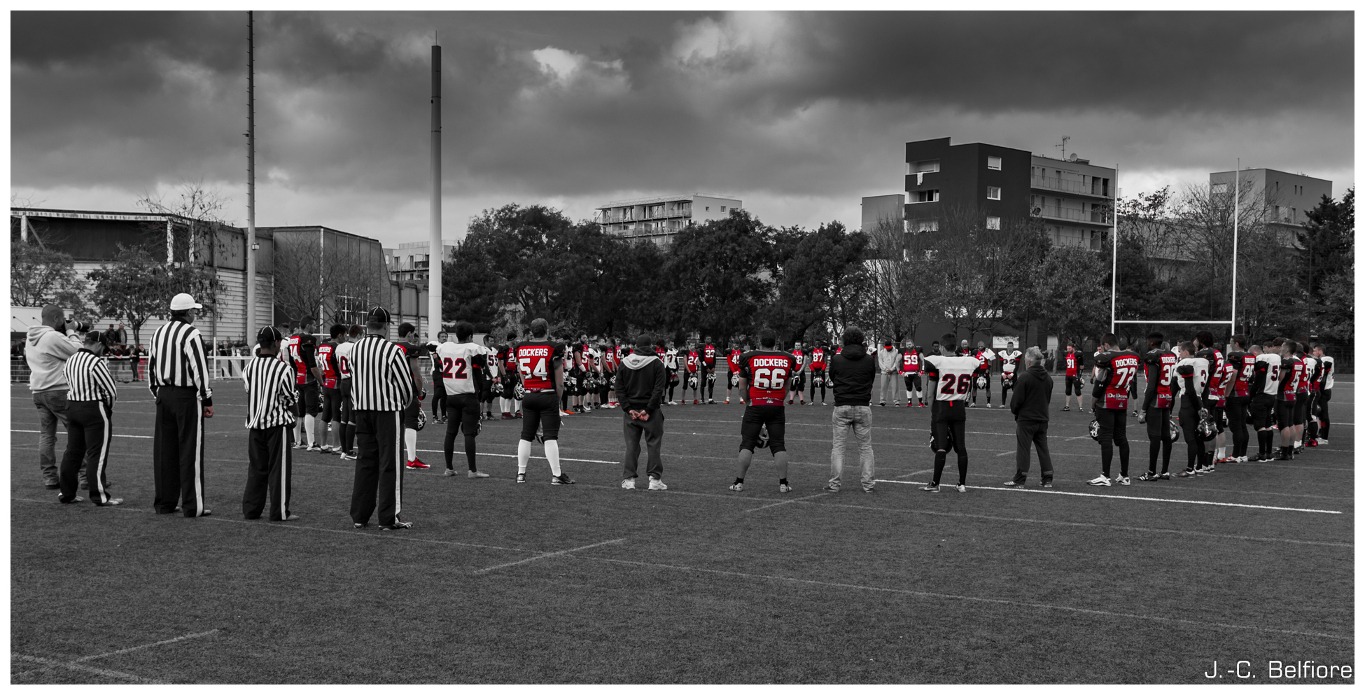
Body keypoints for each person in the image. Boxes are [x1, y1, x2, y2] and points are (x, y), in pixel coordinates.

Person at [349, 307, 416, 530]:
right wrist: (403, 405)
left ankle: (360, 515)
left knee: (365, 463)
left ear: (368, 325)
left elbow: (352, 381)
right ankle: (388, 518)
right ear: (386, 326)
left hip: (362, 411)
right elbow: (406, 388)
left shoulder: (354, 349)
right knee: (390, 464)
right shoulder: (392, 350)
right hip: (387, 412)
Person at [148, 292, 215, 517]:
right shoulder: (191, 333)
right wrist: (207, 399)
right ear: (187, 312)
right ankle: (192, 505)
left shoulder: (158, 333)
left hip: (163, 395)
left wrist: (158, 393)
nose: (195, 314)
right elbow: (200, 369)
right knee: (190, 451)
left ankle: (165, 503)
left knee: (164, 452)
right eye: (194, 311)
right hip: (186, 397)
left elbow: (151, 368)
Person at [24, 304, 86, 490]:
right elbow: (79, 352)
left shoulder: (30, 337)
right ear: (57, 319)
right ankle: (85, 476)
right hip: (58, 390)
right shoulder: (52, 336)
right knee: (78, 433)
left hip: (38, 391)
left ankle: (50, 477)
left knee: (47, 436)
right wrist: (71, 332)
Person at [58, 330, 122, 506]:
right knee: (97, 453)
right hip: (93, 408)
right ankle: (99, 496)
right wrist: (107, 408)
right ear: (99, 345)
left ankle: (67, 493)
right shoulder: (95, 361)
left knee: (72, 452)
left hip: (72, 407)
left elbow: (67, 380)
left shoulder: (70, 360)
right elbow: (110, 390)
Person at [241, 327, 299, 521]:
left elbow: (249, 391)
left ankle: (251, 510)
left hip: (255, 425)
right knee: (279, 470)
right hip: (276, 424)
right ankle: (279, 511)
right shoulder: (283, 368)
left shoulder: (249, 367)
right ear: (275, 344)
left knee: (256, 469)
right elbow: (290, 398)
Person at [730, 329, 796, 493]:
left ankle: (739, 483)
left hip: (755, 405)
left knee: (747, 444)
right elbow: (787, 384)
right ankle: (783, 484)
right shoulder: (788, 358)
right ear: (775, 342)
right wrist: (779, 398)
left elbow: (742, 387)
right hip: (776, 405)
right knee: (778, 445)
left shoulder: (749, 357)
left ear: (759, 342)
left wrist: (748, 401)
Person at [512, 318, 575, 484]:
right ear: (546, 329)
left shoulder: (520, 347)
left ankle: (521, 473)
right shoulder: (553, 347)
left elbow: (520, 371)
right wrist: (557, 400)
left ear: (532, 331)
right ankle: (556, 475)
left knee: (526, 435)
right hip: (547, 394)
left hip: (529, 394)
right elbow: (560, 382)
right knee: (550, 436)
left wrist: (528, 388)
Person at [435, 322, 490, 479]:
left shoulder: (445, 347)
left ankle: (448, 468)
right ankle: (472, 470)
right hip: (467, 396)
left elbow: (436, 350)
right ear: (471, 336)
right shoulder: (471, 348)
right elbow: (480, 361)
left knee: (450, 433)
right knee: (469, 434)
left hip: (451, 396)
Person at [825, 326, 876, 493]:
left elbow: (833, 377)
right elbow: (871, 378)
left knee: (838, 447)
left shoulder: (837, 359)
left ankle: (834, 484)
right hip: (862, 405)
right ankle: (868, 484)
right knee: (865, 448)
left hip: (842, 405)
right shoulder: (868, 359)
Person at [923, 335, 977, 492]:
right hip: (959, 407)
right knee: (961, 447)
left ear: (942, 347)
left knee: (941, 446)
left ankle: (935, 483)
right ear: (956, 347)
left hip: (942, 407)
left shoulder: (937, 362)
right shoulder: (968, 361)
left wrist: (932, 414)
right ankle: (962, 484)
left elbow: (930, 394)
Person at [1086, 334, 1139, 486]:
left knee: (1106, 437)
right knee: (1121, 437)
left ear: (1107, 345)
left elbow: (1100, 383)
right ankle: (1124, 475)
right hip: (1122, 400)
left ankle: (1105, 476)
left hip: (1107, 401)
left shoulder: (1107, 358)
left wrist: (1093, 402)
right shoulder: (1132, 356)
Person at [617, 333, 668, 490]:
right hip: (650, 412)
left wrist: (628, 408)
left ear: (636, 347)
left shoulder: (624, 363)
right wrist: (648, 409)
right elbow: (659, 389)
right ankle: (654, 480)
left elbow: (619, 388)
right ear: (650, 346)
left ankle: (629, 479)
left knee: (631, 445)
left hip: (631, 411)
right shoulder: (656, 363)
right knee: (653, 444)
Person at [1005, 346, 1053, 488]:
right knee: (1043, 448)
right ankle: (1048, 478)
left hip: (1026, 419)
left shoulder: (1025, 377)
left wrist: (1016, 412)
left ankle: (1020, 479)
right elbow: (1047, 399)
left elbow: (1016, 402)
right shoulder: (1048, 378)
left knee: (1023, 449)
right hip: (1042, 418)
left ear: (1030, 361)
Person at [1137, 333, 1177, 481]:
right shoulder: (1170, 355)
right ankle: (1165, 471)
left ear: (1152, 342)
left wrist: (1143, 408)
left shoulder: (1152, 356)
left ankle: (1152, 472)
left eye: (1148, 340)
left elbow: (1152, 384)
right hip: (1167, 396)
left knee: (1154, 436)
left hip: (1156, 398)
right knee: (1166, 436)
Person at [1174, 341, 1212, 477]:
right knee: (1199, 436)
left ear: (1185, 351)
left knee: (1191, 438)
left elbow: (1188, 388)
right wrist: (1203, 406)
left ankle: (1190, 468)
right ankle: (1199, 466)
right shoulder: (1204, 362)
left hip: (1189, 402)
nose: (1179, 354)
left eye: (1180, 351)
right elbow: (1206, 386)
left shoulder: (1184, 364)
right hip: (1200, 398)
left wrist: (1198, 408)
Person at [396, 323, 429, 470]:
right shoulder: (410, 348)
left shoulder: (389, 346)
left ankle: (390, 456)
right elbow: (416, 374)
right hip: (407, 390)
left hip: (390, 390)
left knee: (393, 423)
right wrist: (420, 392)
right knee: (410, 422)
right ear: (410, 333)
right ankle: (411, 459)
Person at [1223, 335, 1255, 463]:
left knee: (1236, 426)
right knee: (1242, 425)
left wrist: (1226, 394)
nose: (1230, 344)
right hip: (1245, 392)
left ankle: (1236, 455)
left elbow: (1233, 374)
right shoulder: (1250, 356)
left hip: (1235, 393)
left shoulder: (1234, 355)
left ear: (1236, 343)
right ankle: (1243, 454)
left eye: (1231, 342)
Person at [334, 324, 361, 461]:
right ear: (359, 335)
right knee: (352, 418)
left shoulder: (339, 347)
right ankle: (349, 450)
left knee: (344, 417)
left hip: (343, 381)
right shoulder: (355, 347)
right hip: (352, 381)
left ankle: (344, 450)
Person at [316, 325, 343, 453]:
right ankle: (336, 446)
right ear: (339, 335)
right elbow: (339, 365)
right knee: (336, 417)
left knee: (325, 416)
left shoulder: (322, 346)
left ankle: (323, 445)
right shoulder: (336, 347)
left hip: (326, 382)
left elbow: (320, 365)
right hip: (336, 383)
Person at [1312, 343, 1334, 446]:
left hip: (1324, 390)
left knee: (1324, 414)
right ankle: (1320, 433)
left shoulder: (1327, 359)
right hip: (1321, 390)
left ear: (1320, 351)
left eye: (1315, 350)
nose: (1313, 352)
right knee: (1319, 413)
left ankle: (1324, 438)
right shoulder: (1321, 360)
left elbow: (1323, 374)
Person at [969, 340, 997, 408]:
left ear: (984, 346)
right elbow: (972, 361)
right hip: (976, 371)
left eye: (981, 346)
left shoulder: (987, 351)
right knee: (974, 387)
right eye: (979, 346)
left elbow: (990, 361)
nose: (980, 347)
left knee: (987, 387)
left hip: (985, 371)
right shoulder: (975, 352)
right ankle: (974, 402)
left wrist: (988, 369)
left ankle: (988, 403)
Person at [899, 339, 925, 408]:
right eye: (907, 345)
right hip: (907, 373)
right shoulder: (903, 351)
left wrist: (922, 370)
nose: (909, 346)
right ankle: (909, 402)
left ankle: (920, 402)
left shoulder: (917, 350)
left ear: (913, 344)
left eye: (910, 344)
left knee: (918, 387)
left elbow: (923, 360)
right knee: (909, 388)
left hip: (916, 373)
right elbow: (896, 361)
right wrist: (900, 371)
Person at [1061, 341, 1084, 412]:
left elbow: (1082, 366)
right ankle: (1067, 406)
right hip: (1068, 375)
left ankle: (1080, 407)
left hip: (1075, 375)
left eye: (1069, 348)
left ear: (1073, 348)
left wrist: (1080, 375)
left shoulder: (1077, 354)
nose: (1068, 350)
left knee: (1077, 391)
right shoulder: (1067, 354)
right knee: (1067, 391)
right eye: (1067, 348)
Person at [875, 339, 899, 406]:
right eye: (886, 348)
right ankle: (882, 400)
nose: (887, 349)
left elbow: (896, 361)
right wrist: (885, 369)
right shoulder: (881, 352)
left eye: (889, 348)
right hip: (884, 372)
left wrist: (892, 369)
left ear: (891, 346)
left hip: (893, 372)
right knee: (883, 387)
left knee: (895, 387)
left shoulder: (896, 351)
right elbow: (880, 362)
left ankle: (896, 401)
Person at [998, 341, 1022, 407]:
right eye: (1008, 346)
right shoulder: (1002, 353)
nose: (1009, 347)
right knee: (1004, 389)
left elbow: (1017, 366)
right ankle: (1003, 404)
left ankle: (1016, 404)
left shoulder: (1016, 354)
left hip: (1012, 375)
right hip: (1005, 374)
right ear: (1007, 346)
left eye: (1011, 346)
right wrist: (1003, 374)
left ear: (1013, 347)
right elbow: (1000, 365)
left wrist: (1012, 374)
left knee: (1015, 390)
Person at [808, 341, 828, 406]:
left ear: (821, 344)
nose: (817, 345)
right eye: (816, 343)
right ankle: (811, 401)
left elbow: (825, 362)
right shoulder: (812, 350)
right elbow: (810, 362)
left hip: (821, 369)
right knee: (812, 385)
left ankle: (823, 401)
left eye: (818, 344)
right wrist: (813, 370)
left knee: (822, 385)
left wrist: (822, 370)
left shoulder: (823, 350)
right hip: (814, 369)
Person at [701, 336, 719, 404]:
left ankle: (710, 399)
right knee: (703, 382)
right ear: (705, 339)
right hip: (705, 367)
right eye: (708, 339)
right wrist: (706, 368)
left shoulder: (713, 347)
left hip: (711, 366)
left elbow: (714, 358)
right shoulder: (703, 347)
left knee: (711, 382)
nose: (709, 340)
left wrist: (714, 367)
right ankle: (702, 399)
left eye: (710, 339)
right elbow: (701, 359)